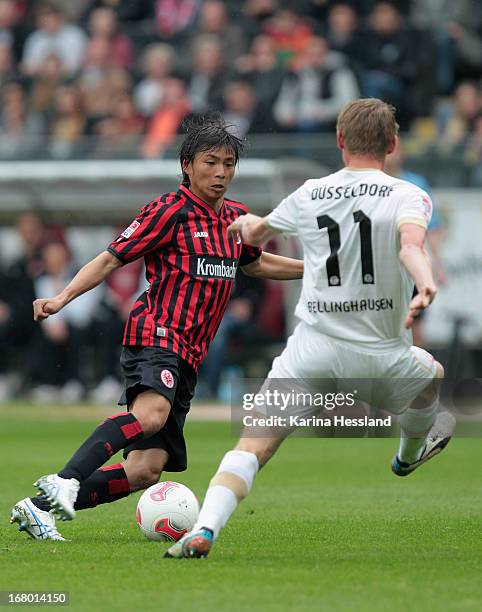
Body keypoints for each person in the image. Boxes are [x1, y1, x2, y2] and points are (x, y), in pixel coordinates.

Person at [165, 98, 456, 559]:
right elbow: (411, 246)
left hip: (313, 349)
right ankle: (407, 454)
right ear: (394, 144)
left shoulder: (310, 192)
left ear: (340, 142)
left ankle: (204, 529)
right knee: (432, 376)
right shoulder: (409, 195)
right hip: (381, 356)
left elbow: (256, 233)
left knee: (253, 446)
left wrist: (246, 225)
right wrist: (425, 283)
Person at [10, 114, 304, 541]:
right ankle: (66, 479)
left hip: (190, 353)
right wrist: (62, 298)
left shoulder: (237, 219)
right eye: (210, 163)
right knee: (150, 414)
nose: (221, 173)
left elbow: (256, 262)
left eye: (228, 164)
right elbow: (112, 258)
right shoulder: (168, 211)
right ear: (187, 164)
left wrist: (314, 268)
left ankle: (39, 508)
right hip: (157, 333)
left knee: (144, 471)